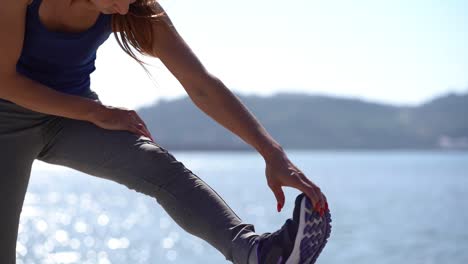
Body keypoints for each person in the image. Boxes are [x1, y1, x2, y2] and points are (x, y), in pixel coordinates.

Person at [0, 0, 332, 263]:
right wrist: (97, 112)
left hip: (70, 117)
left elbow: (201, 85)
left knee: (158, 166)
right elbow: (5, 80)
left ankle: (257, 254)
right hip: (8, 119)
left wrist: (272, 153)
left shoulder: (136, 7)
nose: (125, 8)